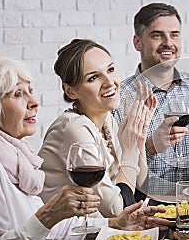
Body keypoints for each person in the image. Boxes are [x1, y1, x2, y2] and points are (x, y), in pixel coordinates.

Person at [0, 55, 170, 240]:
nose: (34, 102)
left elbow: (47, 234)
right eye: (17, 94)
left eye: (30, 92)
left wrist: (113, 225)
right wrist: (47, 216)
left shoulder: (17, 157)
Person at [114, 3, 189, 195]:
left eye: (174, 34)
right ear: (137, 42)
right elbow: (113, 168)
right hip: (146, 209)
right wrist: (150, 147)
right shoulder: (119, 97)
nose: (168, 43)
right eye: (157, 35)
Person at [38, 39, 157, 218]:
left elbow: (139, 192)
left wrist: (138, 139)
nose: (110, 82)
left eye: (110, 70)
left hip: (94, 238)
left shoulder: (107, 120)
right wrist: (129, 151)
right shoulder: (74, 127)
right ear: (71, 91)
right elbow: (118, 211)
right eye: (93, 77)